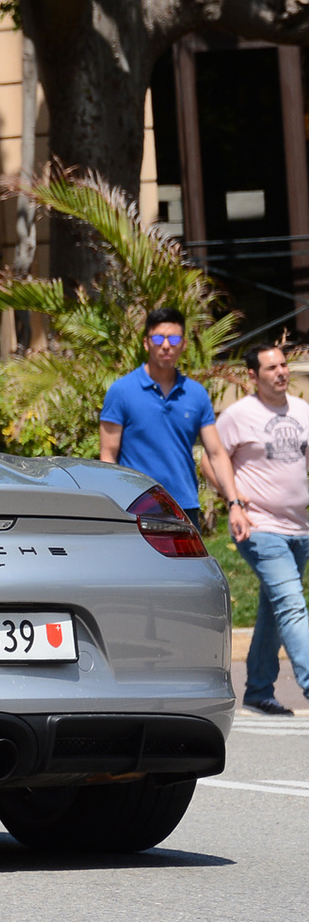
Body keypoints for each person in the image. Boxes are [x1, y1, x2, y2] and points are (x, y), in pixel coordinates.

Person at [99, 306, 251, 536]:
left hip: (183, 506)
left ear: (184, 344)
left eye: (174, 338)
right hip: (135, 507)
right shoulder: (121, 391)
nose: (166, 345)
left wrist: (234, 503)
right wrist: (113, 505)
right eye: (158, 338)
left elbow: (216, 453)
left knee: (187, 573)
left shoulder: (196, 394)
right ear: (146, 343)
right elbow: (108, 455)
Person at [215, 344, 309, 716]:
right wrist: (234, 502)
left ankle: (257, 689)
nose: (281, 372)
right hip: (260, 528)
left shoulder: (302, 410)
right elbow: (212, 460)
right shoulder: (238, 415)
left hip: (299, 528)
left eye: (284, 365)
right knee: (292, 604)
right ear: (253, 375)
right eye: (271, 368)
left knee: (274, 608)